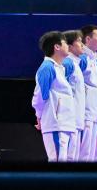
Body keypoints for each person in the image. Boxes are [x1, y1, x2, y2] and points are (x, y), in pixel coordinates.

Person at [31, 31, 77, 162]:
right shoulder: (47, 68)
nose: (68, 45)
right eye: (65, 43)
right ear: (57, 47)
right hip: (56, 124)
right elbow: (40, 95)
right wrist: (39, 115)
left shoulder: (60, 68)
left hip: (67, 124)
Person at [79, 24, 97, 161]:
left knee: (90, 155)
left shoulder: (93, 59)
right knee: (83, 155)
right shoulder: (82, 58)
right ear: (88, 39)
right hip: (85, 114)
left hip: (94, 113)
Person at [62, 30, 86, 161]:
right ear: (70, 46)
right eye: (79, 41)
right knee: (66, 157)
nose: (82, 45)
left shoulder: (76, 64)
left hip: (77, 119)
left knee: (73, 158)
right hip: (69, 120)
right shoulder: (67, 63)